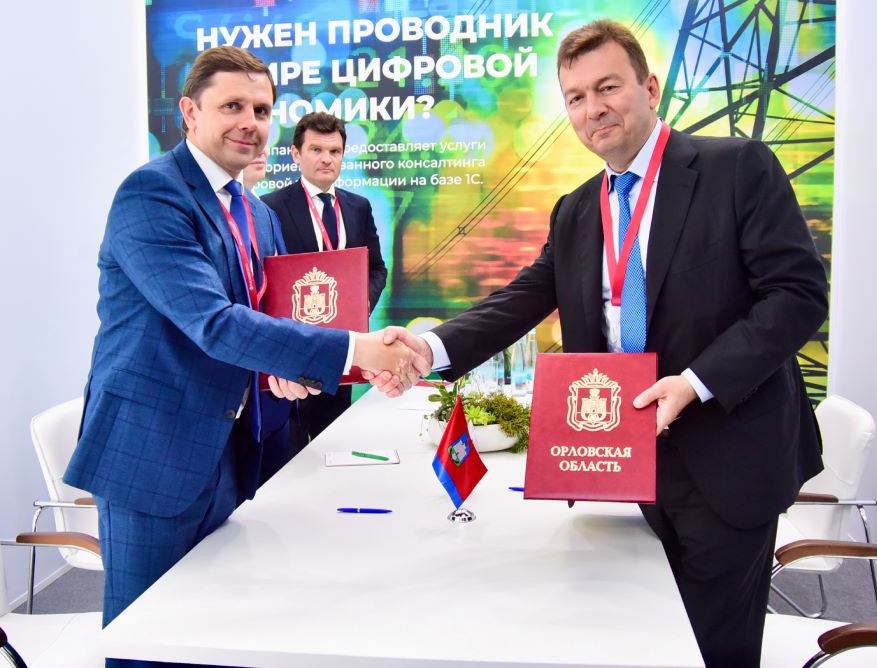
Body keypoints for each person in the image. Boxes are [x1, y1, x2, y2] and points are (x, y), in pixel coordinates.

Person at [374, 19, 828, 668]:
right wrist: (430, 349)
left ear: (650, 87)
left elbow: (796, 296)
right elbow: (522, 298)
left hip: (728, 453)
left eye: (608, 87)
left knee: (712, 648)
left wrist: (694, 382)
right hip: (626, 456)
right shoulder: (577, 208)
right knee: (643, 635)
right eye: (577, 97)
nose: (594, 109)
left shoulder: (735, 169)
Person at [64, 46, 424, 668]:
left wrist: (287, 370)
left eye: (260, 110)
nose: (249, 122)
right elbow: (213, 322)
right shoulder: (152, 194)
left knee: (216, 624)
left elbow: (269, 319)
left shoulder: (255, 212)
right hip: (154, 451)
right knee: (149, 638)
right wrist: (356, 349)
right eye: (232, 105)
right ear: (190, 112)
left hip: (233, 449)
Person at [261, 112, 388, 454]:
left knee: (334, 445)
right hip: (293, 348)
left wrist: (359, 305)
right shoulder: (270, 208)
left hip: (342, 347)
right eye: (316, 150)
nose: (327, 159)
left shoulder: (358, 207)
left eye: (334, 151)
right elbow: (264, 277)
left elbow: (377, 269)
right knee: (289, 448)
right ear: (296, 154)